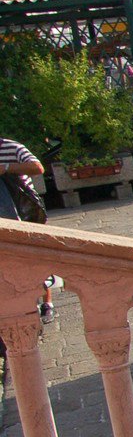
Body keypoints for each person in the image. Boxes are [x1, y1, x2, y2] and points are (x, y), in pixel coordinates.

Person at [0, 136, 54, 324]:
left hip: (25, 213)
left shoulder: (11, 147)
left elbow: (37, 168)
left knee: (35, 259)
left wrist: (6, 168)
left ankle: (47, 303)